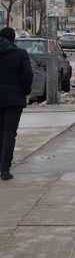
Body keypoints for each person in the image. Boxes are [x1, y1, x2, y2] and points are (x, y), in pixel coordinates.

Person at [0, 27, 33, 180]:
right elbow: (27, 75)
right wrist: (24, 91)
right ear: (14, 39)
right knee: (9, 132)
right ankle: (5, 168)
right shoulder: (20, 54)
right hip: (14, 100)